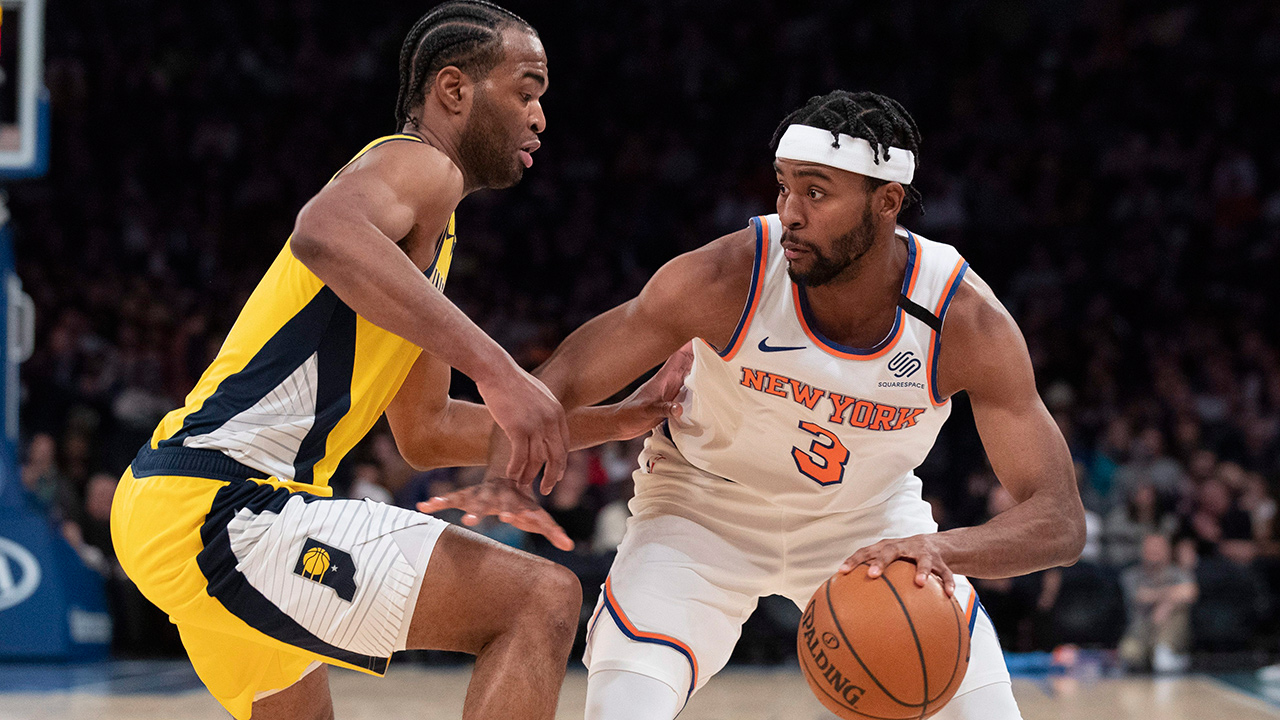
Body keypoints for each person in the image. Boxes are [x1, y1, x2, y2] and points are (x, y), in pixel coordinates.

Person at [424, 90, 1086, 720]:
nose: (790, 211)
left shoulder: (961, 319)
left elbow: (1058, 519)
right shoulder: (728, 276)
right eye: (784, 185)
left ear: (886, 202)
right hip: (700, 513)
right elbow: (560, 378)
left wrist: (944, 548)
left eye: (817, 193)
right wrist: (502, 474)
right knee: (624, 705)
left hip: (869, 526)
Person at [109, 3, 680, 719]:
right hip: (224, 502)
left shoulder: (421, 247)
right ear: (454, 89)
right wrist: (502, 370)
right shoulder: (418, 165)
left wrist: (619, 420)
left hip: (175, 504)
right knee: (540, 597)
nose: (539, 117)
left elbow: (429, 432)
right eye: (526, 90)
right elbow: (323, 229)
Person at [1118, 533, 1196, 672]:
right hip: (1140, 630)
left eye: (1158, 548)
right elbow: (1141, 596)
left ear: (1168, 551)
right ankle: (1153, 656)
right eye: (1150, 548)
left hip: (1167, 628)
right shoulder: (1131, 575)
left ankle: (1167, 653)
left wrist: (1168, 605)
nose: (1154, 552)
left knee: (1177, 611)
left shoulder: (1177, 572)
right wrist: (1168, 597)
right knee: (1129, 655)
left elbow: (1190, 592)